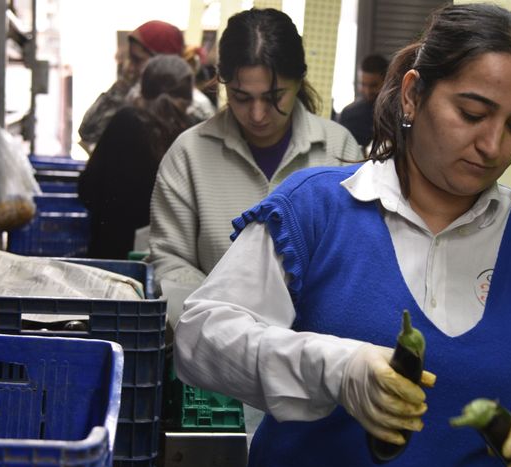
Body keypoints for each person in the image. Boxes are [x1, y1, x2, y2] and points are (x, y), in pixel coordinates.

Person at [173, 3, 511, 467]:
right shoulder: (316, 211)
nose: (493, 144)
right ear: (412, 95)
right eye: (472, 114)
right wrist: (335, 368)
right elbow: (203, 337)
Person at [147, 7, 360, 300]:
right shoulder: (189, 154)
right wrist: (221, 318)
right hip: (214, 337)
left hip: (315, 341)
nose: (258, 115)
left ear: (299, 81)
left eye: (274, 97)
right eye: (241, 97)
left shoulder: (339, 150)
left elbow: (353, 261)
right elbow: (170, 260)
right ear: (221, 83)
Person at [77, 55, 195, 259]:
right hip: (170, 262)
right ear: (188, 98)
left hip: (113, 258)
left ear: (143, 89)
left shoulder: (125, 121)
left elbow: (88, 190)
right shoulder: (193, 132)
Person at [78, 20, 185, 152]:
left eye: (138, 60)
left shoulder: (190, 108)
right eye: (130, 59)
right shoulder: (131, 94)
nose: (130, 66)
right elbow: (88, 132)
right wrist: (121, 87)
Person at [338, 54, 389, 148]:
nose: (367, 91)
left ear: (386, 82)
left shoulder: (398, 114)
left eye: (373, 86)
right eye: (363, 84)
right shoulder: (348, 114)